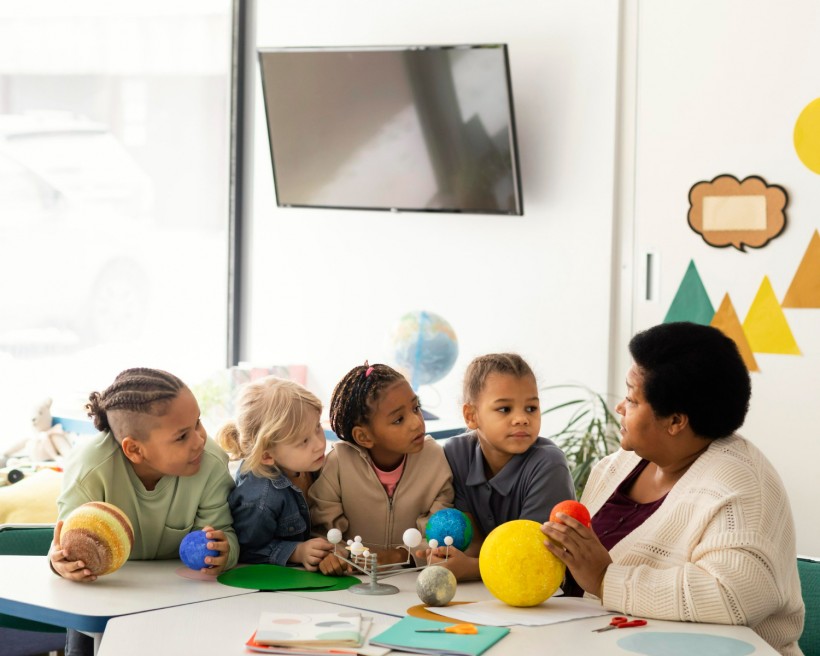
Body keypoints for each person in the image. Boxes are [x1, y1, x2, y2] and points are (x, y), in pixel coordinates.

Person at [541, 322, 805, 656]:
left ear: (676, 421)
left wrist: (607, 578)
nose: (619, 408)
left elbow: (734, 597)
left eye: (632, 399)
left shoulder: (740, 486)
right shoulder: (615, 466)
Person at [49, 367, 239, 656]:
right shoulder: (90, 469)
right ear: (134, 450)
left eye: (198, 423)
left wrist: (225, 551)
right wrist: (60, 563)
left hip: (181, 595)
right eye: (182, 436)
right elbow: (63, 546)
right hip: (105, 592)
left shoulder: (210, 462)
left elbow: (225, 532)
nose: (199, 439)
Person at [425, 352, 575, 581]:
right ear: (471, 415)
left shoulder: (549, 465)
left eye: (531, 408)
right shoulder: (457, 454)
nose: (522, 419)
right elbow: (473, 541)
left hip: (543, 594)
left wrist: (470, 569)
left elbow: (533, 558)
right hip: (485, 592)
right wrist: (449, 558)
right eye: (505, 409)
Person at [309, 362, 454, 574]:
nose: (416, 423)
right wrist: (336, 557)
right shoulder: (338, 463)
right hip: (352, 583)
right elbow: (323, 531)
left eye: (416, 408)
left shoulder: (435, 459)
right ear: (364, 437)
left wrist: (399, 555)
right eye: (398, 419)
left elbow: (439, 535)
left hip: (412, 581)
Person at [217, 376, 333, 570]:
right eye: (304, 441)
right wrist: (297, 552)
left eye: (317, 427)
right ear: (267, 456)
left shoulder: (312, 465)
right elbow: (246, 549)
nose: (320, 444)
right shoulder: (260, 497)